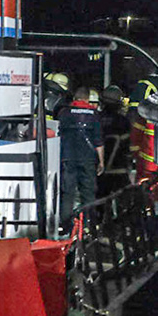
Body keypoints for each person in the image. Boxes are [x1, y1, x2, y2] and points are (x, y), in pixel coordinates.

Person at [60, 86, 104, 222]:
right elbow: (98, 141)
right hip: (87, 159)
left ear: (75, 98)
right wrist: (101, 161)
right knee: (88, 193)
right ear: (87, 99)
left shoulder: (64, 112)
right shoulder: (94, 114)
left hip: (67, 157)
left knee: (68, 193)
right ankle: (87, 225)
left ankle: (66, 225)